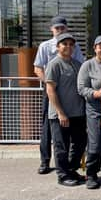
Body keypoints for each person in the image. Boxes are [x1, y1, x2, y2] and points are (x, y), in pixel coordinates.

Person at [34, 15, 84, 175]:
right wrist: (51, 82)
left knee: (77, 140)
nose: (68, 46)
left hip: (73, 103)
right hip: (54, 93)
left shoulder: (75, 58)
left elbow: (82, 72)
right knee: (55, 136)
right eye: (57, 28)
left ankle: (70, 169)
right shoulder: (49, 54)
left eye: (62, 27)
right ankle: (53, 166)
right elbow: (38, 69)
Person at [44, 33, 86, 186]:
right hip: (60, 114)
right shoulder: (54, 64)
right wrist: (61, 112)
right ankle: (62, 175)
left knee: (80, 143)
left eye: (71, 44)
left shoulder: (77, 64)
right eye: (64, 44)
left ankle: (71, 170)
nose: (68, 46)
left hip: (77, 113)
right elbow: (50, 90)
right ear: (58, 47)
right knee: (62, 146)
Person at [77, 34, 101, 189]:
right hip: (94, 111)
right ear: (95, 48)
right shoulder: (87, 65)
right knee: (95, 144)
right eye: (100, 47)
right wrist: (95, 93)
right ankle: (91, 174)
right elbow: (81, 88)